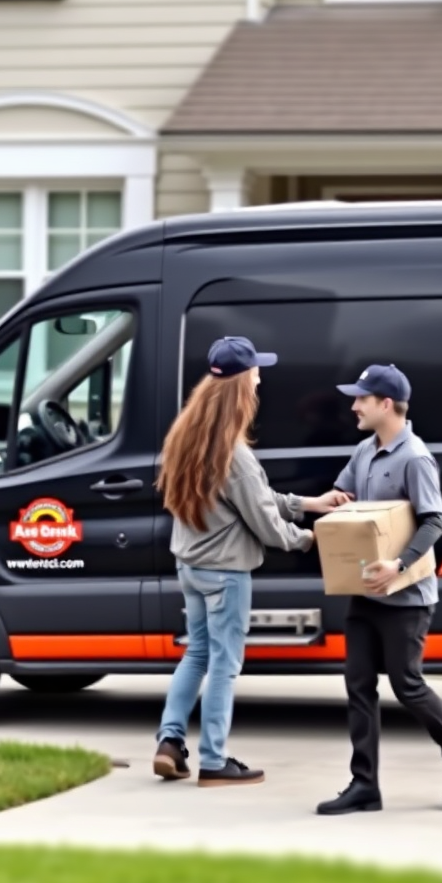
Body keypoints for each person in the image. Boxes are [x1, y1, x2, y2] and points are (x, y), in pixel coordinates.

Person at [152, 336, 349, 788]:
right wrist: (310, 539)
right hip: (225, 574)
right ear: (241, 384)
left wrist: (311, 504)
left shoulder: (188, 435)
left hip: (192, 566)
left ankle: (170, 741)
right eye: (256, 372)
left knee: (197, 653)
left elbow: (255, 500)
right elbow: (261, 520)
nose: (261, 378)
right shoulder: (234, 453)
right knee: (225, 663)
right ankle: (215, 760)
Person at [315, 364, 442, 815]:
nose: (354, 406)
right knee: (358, 686)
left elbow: (434, 521)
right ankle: (364, 785)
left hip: (406, 596)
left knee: (407, 685)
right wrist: (332, 502)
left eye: (362, 399)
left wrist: (400, 564)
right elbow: (344, 498)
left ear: (385, 405)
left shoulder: (415, 457)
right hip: (365, 592)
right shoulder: (364, 451)